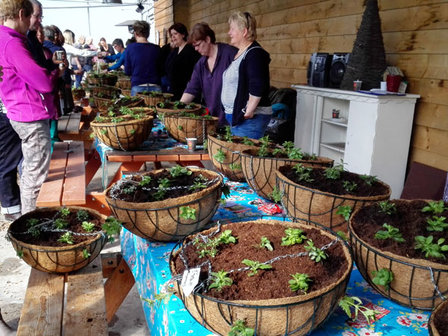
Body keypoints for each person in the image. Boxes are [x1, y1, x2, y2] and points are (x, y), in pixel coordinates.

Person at [0, 0, 65, 214]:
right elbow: (44, 83)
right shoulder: (12, 42)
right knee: (35, 176)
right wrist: (56, 73)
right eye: (30, 18)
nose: (31, 24)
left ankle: (29, 220)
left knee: (30, 171)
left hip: (18, 110)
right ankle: (30, 224)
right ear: (21, 14)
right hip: (29, 114)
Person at [221, 11, 272, 139]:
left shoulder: (254, 54)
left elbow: (258, 84)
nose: (229, 33)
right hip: (238, 117)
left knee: (243, 157)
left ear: (244, 32)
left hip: (249, 119)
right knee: (238, 156)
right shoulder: (242, 53)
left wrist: (248, 111)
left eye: (232, 29)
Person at [180, 22, 237, 127]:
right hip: (214, 119)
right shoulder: (201, 64)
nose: (196, 49)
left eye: (197, 45)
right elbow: (191, 89)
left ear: (207, 39)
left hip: (234, 120)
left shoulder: (230, 54)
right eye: (194, 46)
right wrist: (178, 108)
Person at [0, 16, 22, 221]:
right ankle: (10, 207)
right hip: (4, 113)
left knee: (9, 160)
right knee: (6, 161)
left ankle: (12, 204)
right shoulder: (6, 41)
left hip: (7, 110)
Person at [165, 23, 200, 100]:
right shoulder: (174, 51)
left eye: (175, 34)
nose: (173, 37)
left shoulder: (191, 50)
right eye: (171, 35)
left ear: (183, 34)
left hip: (186, 91)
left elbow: (196, 71)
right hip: (173, 90)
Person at [124, 20, 161, 96]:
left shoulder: (130, 48)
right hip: (156, 86)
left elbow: (127, 71)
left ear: (135, 33)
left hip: (138, 86)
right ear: (148, 33)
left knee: (137, 108)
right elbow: (162, 70)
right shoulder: (157, 48)